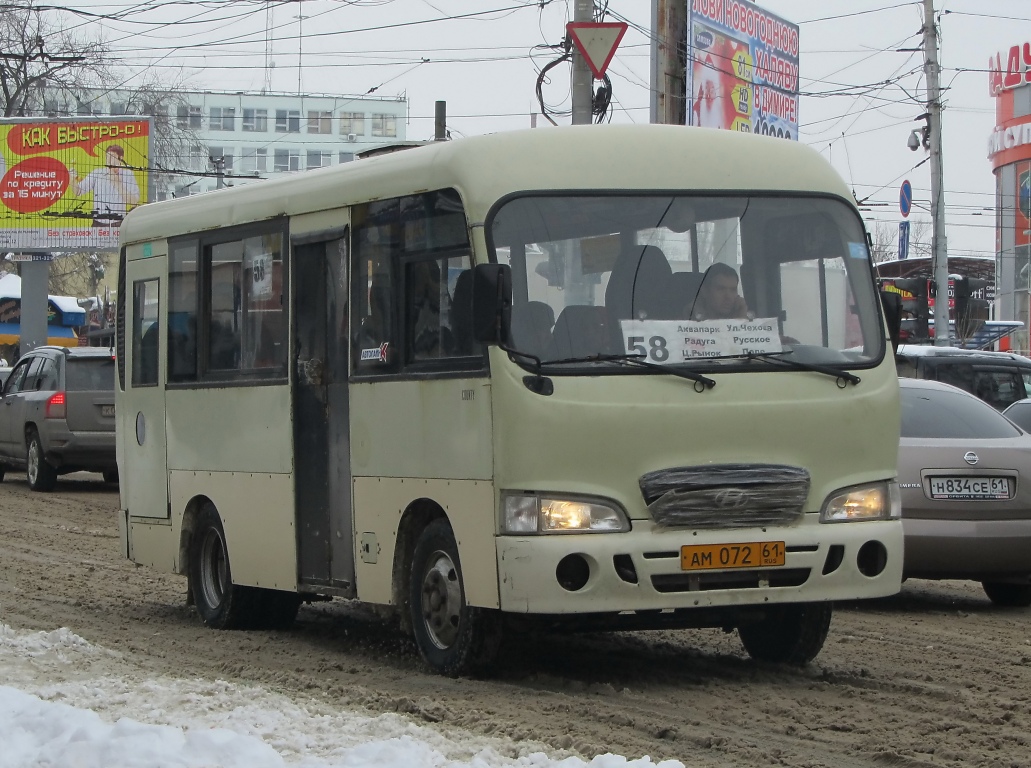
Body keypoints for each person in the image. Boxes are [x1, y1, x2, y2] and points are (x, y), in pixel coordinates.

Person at [70, 144, 141, 227]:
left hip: (118, 224)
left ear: (120, 158)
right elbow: (78, 191)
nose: (108, 160)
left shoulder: (128, 175)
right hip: (98, 224)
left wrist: (117, 183)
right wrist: (72, 179)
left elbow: (134, 201)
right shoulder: (97, 173)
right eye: (107, 157)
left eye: (112, 157)